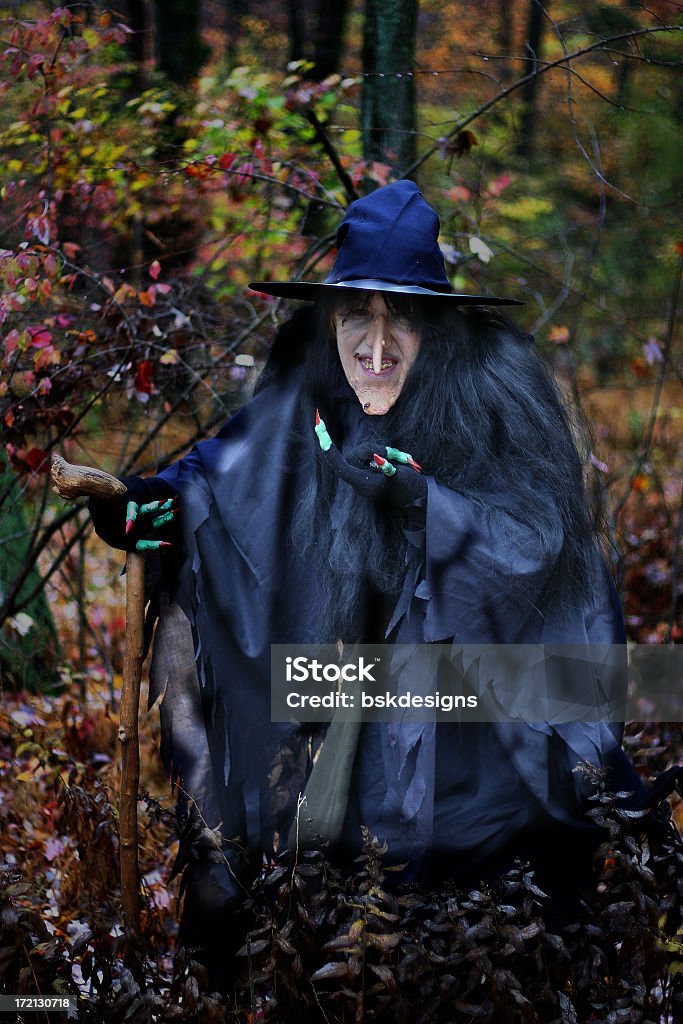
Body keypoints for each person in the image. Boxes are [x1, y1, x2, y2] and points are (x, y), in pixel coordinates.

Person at [89, 180, 653, 971]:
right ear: (331, 320)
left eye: (403, 318)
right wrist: (146, 507)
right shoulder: (311, 387)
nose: (377, 344)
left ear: (438, 329)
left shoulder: (491, 395)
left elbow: (538, 550)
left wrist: (425, 505)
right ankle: (245, 882)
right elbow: (226, 476)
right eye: (358, 313)